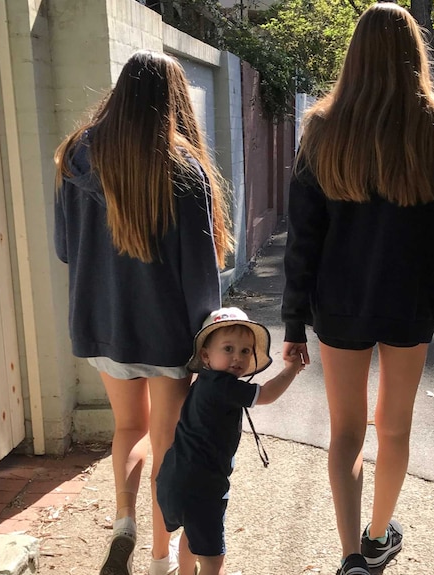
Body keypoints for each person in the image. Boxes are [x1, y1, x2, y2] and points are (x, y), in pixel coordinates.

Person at [281, 4, 434, 575]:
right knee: (396, 424)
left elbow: (302, 237)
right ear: (416, 55)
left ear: (353, 55)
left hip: (338, 305)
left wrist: (291, 322)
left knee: (345, 433)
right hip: (410, 304)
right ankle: (380, 533)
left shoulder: (322, 128)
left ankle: (350, 555)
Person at [53, 50, 233, 575]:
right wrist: (211, 337)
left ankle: (123, 520)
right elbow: (199, 269)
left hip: (103, 323)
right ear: (173, 102)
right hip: (168, 332)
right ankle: (160, 556)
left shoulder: (74, 155)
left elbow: (65, 248)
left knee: (128, 427)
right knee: (168, 444)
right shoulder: (182, 165)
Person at [156, 307, 303, 575]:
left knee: (193, 535)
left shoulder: (203, 383)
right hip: (203, 485)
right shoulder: (221, 386)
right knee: (213, 558)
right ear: (205, 355)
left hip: (174, 478)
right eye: (228, 348)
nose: (238, 357)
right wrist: (291, 370)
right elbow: (267, 394)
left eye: (245, 351)